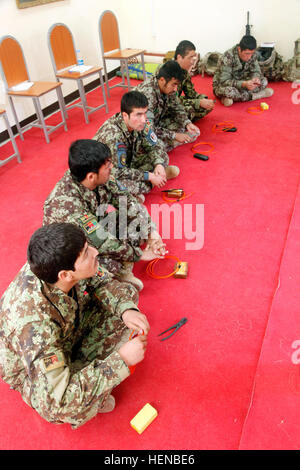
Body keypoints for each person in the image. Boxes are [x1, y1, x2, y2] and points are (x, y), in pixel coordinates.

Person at [0, 223, 149, 429]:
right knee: (73, 408)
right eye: (87, 253)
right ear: (65, 275)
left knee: (125, 299)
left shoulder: (58, 264)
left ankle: (85, 373)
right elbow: (59, 401)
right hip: (32, 370)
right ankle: (87, 385)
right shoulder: (33, 324)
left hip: (64, 329)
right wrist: (120, 361)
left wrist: (125, 310)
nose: (96, 252)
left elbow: (102, 281)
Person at [43, 139, 166, 291]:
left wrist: (151, 232)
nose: (111, 167)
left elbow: (127, 201)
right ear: (91, 177)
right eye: (108, 166)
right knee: (105, 263)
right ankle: (116, 276)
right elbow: (102, 242)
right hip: (75, 255)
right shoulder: (66, 205)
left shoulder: (98, 174)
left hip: (96, 228)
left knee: (138, 228)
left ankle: (123, 266)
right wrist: (139, 254)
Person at [93, 91, 180, 198]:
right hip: (107, 172)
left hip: (128, 161)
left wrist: (159, 164)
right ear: (125, 115)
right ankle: (146, 185)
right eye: (138, 115)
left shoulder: (140, 122)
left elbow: (154, 145)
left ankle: (152, 179)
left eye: (145, 113)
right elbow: (118, 172)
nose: (143, 120)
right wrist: (149, 176)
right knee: (118, 184)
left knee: (162, 156)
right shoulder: (112, 135)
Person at [135, 60, 200, 151]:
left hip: (156, 120)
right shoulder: (147, 95)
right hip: (140, 128)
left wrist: (187, 123)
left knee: (181, 125)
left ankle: (169, 142)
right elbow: (148, 129)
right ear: (162, 80)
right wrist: (174, 135)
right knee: (153, 145)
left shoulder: (169, 88)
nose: (175, 88)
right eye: (174, 84)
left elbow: (176, 107)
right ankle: (168, 144)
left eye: (177, 85)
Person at [213, 35, 274, 106]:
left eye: (252, 53)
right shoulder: (227, 57)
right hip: (225, 85)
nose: (249, 57)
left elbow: (256, 71)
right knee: (230, 91)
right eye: (247, 54)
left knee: (264, 81)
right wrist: (244, 84)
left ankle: (231, 98)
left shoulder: (252, 54)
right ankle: (256, 95)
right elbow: (224, 81)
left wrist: (255, 79)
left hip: (244, 81)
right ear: (239, 49)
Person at [175, 40, 215, 121]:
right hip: (165, 107)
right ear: (179, 57)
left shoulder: (184, 71)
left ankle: (184, 121)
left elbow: (191, 94)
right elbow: (172, 101)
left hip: (176, 102)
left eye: (193, 58)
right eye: (190, 58)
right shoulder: (167, 71)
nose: (192, 62)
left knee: (205, 107)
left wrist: (204, 99)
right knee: (188, 110)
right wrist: (198, 102)